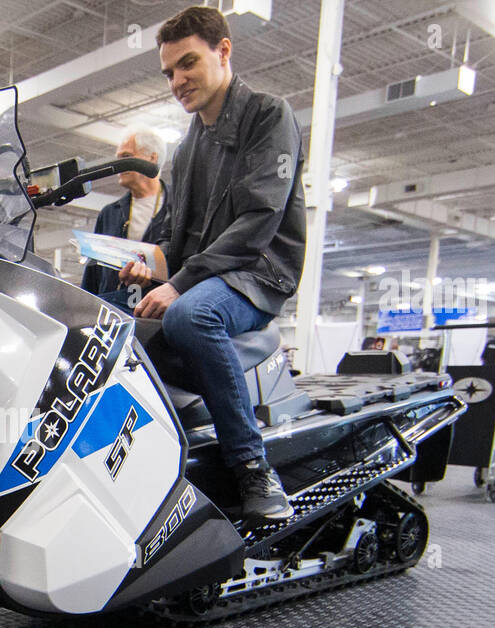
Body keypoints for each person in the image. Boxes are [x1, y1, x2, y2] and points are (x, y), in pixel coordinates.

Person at [116, 5, 305, 520]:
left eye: (188, 64)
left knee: (189, 316)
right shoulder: (185, 150)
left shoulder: (268, 115)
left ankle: (251, 466)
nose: (177, 80)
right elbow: (178, 238)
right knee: (107, 324)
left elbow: (259, 221)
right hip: (207, 274)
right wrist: (150, 266)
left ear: (223, 51)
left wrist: (178, 285)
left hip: (258, 273)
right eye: (169, 72)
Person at [81, 130, 171, 297]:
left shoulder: (177, 207)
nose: (119, 165)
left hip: (157, 311)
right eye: (118, 158)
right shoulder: (109, 214)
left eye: (126, 156)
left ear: (152, 158)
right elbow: (92, 274)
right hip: (113, 310)